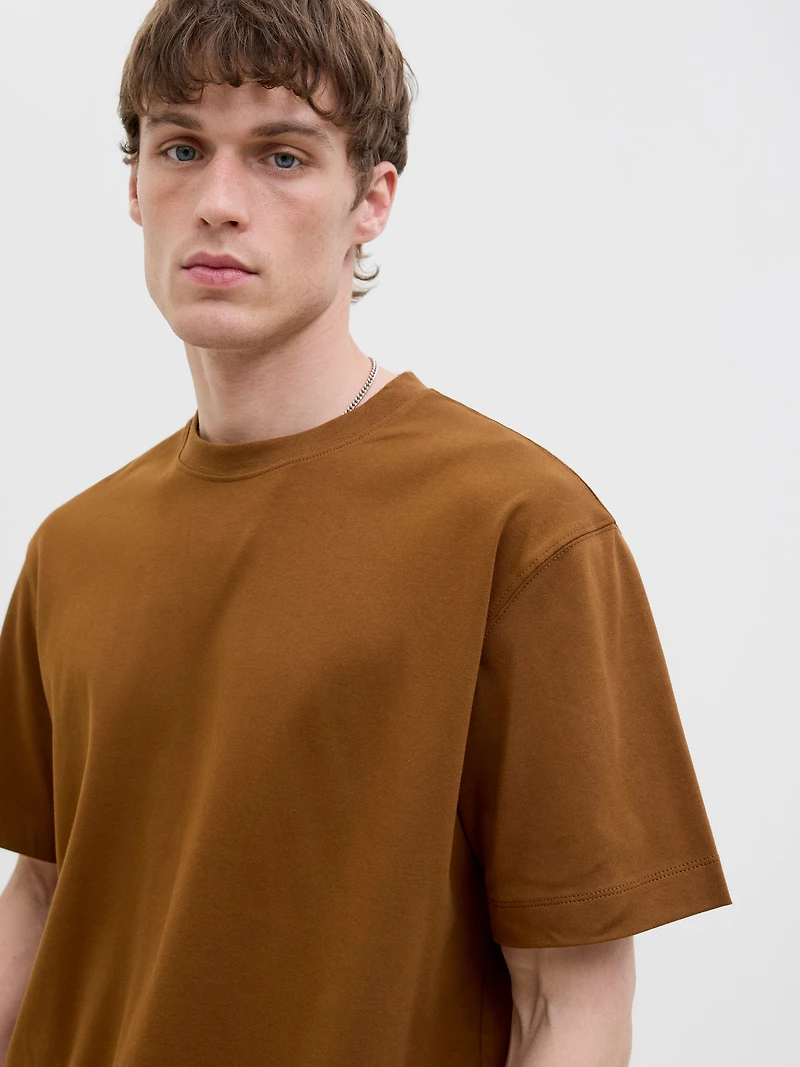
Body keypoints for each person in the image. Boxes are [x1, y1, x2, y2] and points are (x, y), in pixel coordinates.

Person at [0, 1, 732, 1064]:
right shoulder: (74, 546)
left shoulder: (519, 531)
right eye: (181, 147)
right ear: (134, 186)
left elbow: (568, 1001)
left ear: (371, 199)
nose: (217, 203)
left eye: (282, 156)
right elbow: (44, 891)